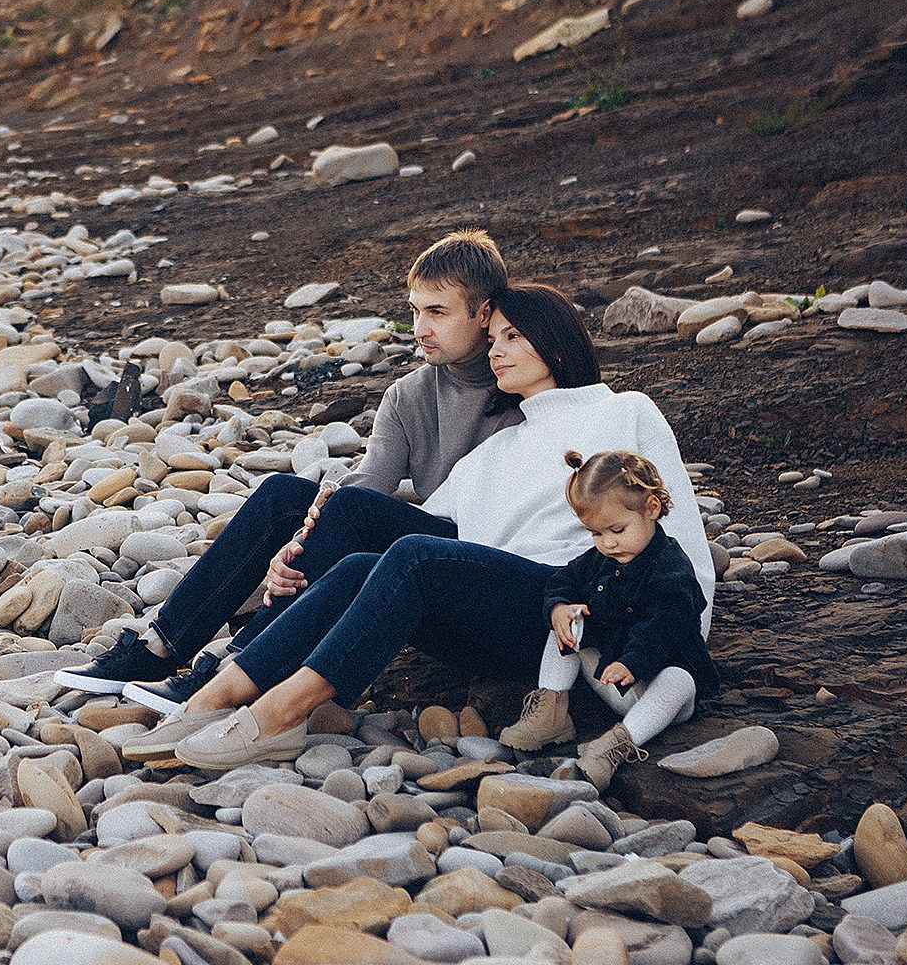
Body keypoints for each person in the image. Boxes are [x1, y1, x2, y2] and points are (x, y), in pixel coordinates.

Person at [129, 284, 713, 772]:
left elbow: (675, 525)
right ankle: (224, 687)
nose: (496, 352)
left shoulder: (623, 410)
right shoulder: (493, 450)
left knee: (411, 554)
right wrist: (295, 547)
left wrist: (677, 640)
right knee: (354, 550)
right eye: (492, 340)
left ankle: (281, 711)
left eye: (512, 336)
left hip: (571, 613)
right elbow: (425, 530)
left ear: (555, 342)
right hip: (494, 616)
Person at [54, 230, 516, 708]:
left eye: (436, 312)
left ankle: (241, 663)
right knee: (284, 494)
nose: (419, 328)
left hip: (476, 560)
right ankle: (162, 645)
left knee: (347, 507)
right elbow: (368, 485)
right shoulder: (409, 394)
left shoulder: (526, 386)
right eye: (415, 310)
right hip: (414, 544)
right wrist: (300, 543)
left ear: (483, 312)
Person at [498, 449, 722, 789]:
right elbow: (564, 579)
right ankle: (552, 711)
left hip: (657, 690)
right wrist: (558, 608)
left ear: (651, 509)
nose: (608, 542)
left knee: (680, 679)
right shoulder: (602, 557)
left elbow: (666, 624)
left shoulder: (670, 567)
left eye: (617, 529)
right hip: (610, 679)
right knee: (569, 620)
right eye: (597, 534)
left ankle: (616, 746)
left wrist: (634, 662)